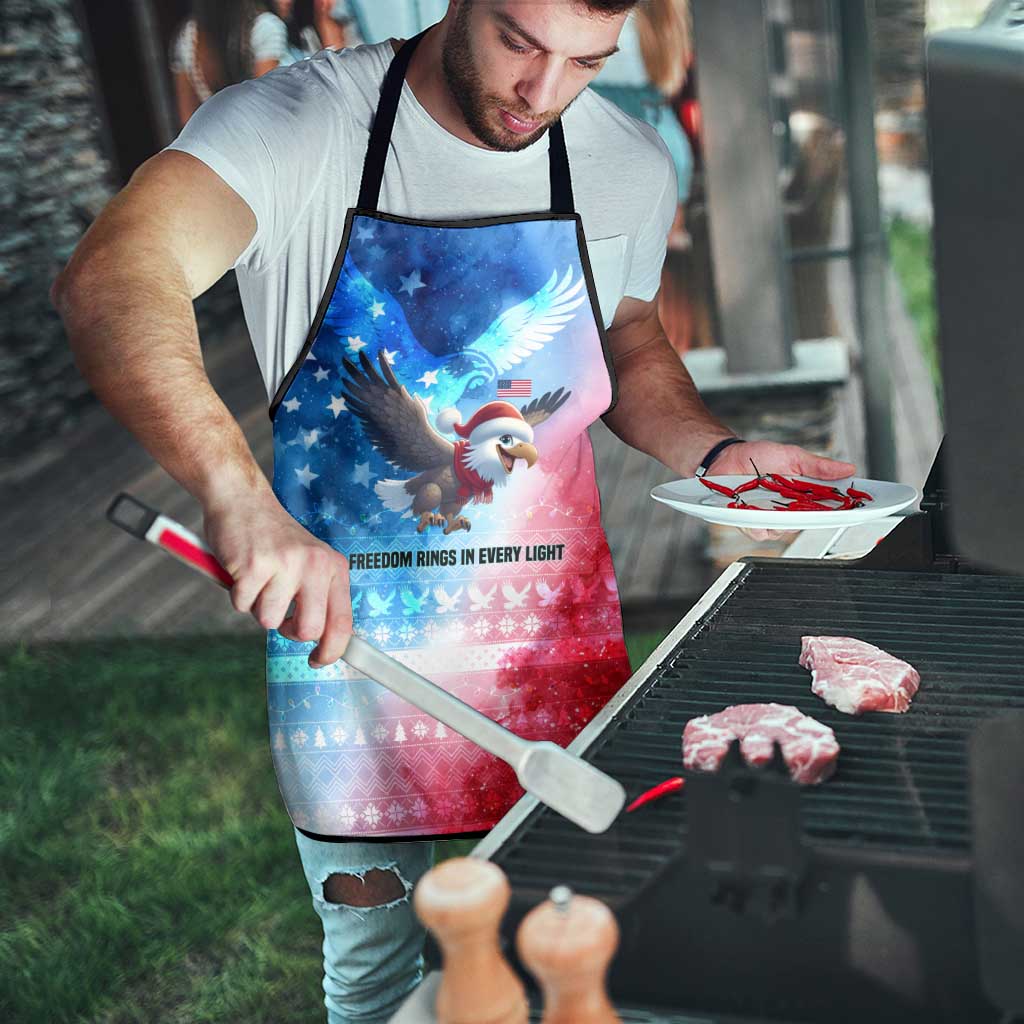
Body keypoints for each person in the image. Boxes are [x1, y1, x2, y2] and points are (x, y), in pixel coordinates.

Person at [52, 2, 856, 1020]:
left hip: (552, 652)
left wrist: (718, 449)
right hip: (353, 666)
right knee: (381, 980)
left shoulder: (625, 160)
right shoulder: (297, 125)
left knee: (583, 956)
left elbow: (629, 336)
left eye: (586, 62)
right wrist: (236, 495)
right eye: (521, 42)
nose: (543, 93)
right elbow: (113, 275)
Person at [169, 0, 289, 127]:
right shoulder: (266, 27)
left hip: (215, 140)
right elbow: (266, 107)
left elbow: (187, 120)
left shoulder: (188, 37)